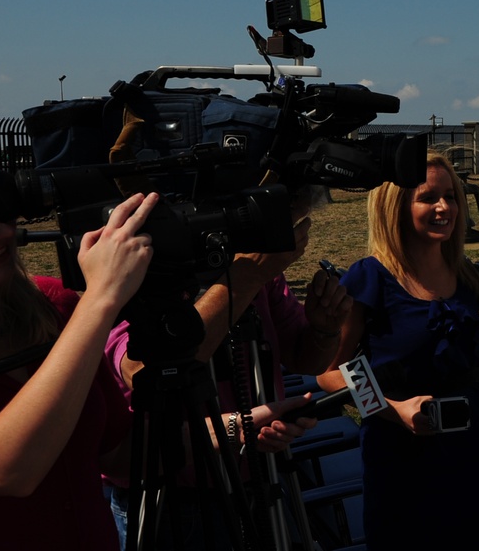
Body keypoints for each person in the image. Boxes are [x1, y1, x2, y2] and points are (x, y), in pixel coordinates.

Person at [104, 188, 353, 550]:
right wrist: (245, 277)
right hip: (171, 499)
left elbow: (305, 358)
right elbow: (143, 370)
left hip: (260, 482)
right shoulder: (149, 262)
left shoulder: (256, 270)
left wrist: (325, 328)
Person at [316, 150, 479, 551]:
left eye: (451, 196)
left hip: (469, 447)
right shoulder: (370, 277)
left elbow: (469, 362)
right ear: (395, 207)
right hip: (400, 454)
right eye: (428, 197)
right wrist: (393, 409)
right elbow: (331, 372)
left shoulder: (464, 275)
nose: (444, 207)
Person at [0, 185, 157, 550]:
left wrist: (231, 428)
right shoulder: (84, 314)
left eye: (1, 212)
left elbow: (117, 455)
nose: (3, 233)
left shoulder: (55, 307)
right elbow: (8, 470)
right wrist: (101, 298)